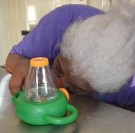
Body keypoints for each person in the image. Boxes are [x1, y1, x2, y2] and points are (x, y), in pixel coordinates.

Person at [6, 1, 135, 112]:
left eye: (76, 87)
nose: (57, 83)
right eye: (59, 68)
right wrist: (22, 64)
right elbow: (13, 57)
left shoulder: (129, 84)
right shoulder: (58, 23)